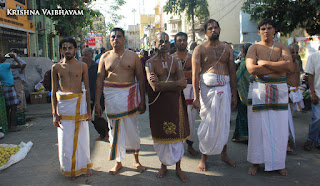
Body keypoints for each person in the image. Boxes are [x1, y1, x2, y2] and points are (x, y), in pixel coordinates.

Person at [246, 18, 295, 176]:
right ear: (259, 31)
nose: (266, 30)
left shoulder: (281, 47)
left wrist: (265, 63)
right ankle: (255, 163)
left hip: (279, 90)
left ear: (274, 30)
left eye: (269, 27)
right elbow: (252, 69)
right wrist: (277, 68)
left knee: (279, 129)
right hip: (259, 90)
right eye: (263, 28)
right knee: (257, 129)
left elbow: (290, 67)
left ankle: (279, 163)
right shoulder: (254, 48)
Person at [94, 28, 146, 175]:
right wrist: (97, 103)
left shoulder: (133, 57)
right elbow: (99, 81)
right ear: (109, 40)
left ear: (124, 39)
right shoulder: (104, 57)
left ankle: (136, 160)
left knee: (132, 130)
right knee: (114, 131)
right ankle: (118, 162)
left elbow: (140, 79)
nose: (115, 39)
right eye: (113, 37)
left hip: (129, 96)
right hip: (112, 98)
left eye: (118, 36)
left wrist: (142, 100)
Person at [192, 19, 237, 172]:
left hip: (224, 90)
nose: (213, 30)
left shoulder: (227, 48)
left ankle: (224, 154)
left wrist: (234, 95)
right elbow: (195, 75)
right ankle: (204, 157)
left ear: (219, 30)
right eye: (210, 28)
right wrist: (196, 97)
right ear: (205, 32)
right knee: (207, 124)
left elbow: (232, 72)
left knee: (224, 123)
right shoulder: (199, 49)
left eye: (216, 27)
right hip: (207, 91)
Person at [146, 32, 189, 182]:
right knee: (161, 136)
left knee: (177, 136)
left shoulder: (175, 61)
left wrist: (163, 84)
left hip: (175, 102)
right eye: (160, 41)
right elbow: (154, 87)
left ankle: (178, 168)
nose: (163, 43)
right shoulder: (150, 63)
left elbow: (183, 84)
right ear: (155, 43)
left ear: (169, 43)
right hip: (159, 104)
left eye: (166, 41)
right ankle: (163, 166)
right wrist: (174, 84)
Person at [51, 37, 92, 178]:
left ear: (75, 49)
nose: (67, 50)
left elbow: (87, 89)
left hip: (79, 105)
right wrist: (54, 113)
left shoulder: (82, 66)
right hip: (63, 108)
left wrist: (89, 111)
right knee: (65, 140)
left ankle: (84, 166)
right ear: (61, 50)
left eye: (70, 47)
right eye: (64, 48)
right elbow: (53, 91)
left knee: (82, 138)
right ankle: (69, 168)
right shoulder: (55, 67)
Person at [172, 32, 198, 156]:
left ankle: (190, 146)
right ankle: (177, 147)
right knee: (177, 119)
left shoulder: (192, 57)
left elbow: (196, 74)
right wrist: (186, 72)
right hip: (176, 91)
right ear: (175, 42)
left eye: (184, 40)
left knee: (191, 120)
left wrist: (182, 73)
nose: (182, 42)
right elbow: (170, 76)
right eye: (179, 40)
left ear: (187, 42)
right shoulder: (171, 58)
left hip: (191, 91)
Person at [81, 48, 109, 141]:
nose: (84, 57)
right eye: (83, 55)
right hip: (87, 96)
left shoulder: (97, 67)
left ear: (91, 56)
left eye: (86, 55)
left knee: (97, 116)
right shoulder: (81, 68)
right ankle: (104, 133)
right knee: (92, 118)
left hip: (99, 96)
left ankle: (107, 131)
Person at [232, 43, 252, 143]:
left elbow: (237, 78)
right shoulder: (255, 62)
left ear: (244, 53)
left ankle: (242, 136)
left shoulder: (245, 64)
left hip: (244, 93)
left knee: (243, 116)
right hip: (252, 93)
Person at [287, 43, 305, 152]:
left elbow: (297, 77)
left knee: (291, 118)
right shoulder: (284, 64)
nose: (295, 54)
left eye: (297, 52)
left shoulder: (297, 62)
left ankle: (289, 140)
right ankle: (286, 143)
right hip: (287, 94)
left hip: (295, 94)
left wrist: (298, 91)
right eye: (292, 52)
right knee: (286, 120)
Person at [0, 53, 22, 132]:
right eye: (2, 55)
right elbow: (19, 65)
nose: (3, 56)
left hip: (4, 87)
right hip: (9, 87)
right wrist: (14, 57)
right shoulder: (5, 65)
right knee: (13, 106)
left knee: (8, 108)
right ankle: (12, 126)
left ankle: (7, 125)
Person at [303, 46, 320, 151]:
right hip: (318, 93)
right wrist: (312, 93)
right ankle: (310, 139)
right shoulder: (314, 57)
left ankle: (318, 142)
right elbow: (310, 76)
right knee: (317, 118)